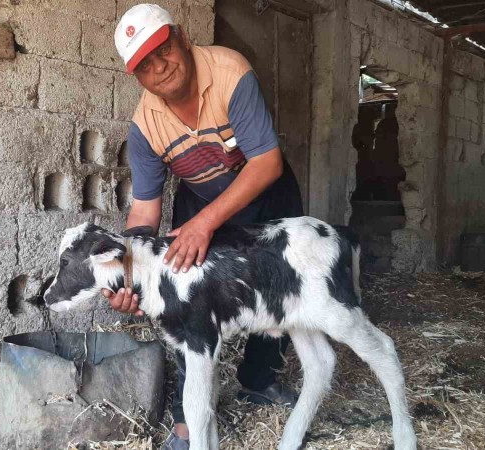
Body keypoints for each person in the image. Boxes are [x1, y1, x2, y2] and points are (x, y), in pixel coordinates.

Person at [108, 4, 304, 449]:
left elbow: (267, 162)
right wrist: (130, 273)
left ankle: (259, 378)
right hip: (200, 197)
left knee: (277, 286)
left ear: (180, 36)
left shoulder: (230, 71)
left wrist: (204, 225)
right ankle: (187, 420)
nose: (159, 66)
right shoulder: (144, 127)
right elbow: (144, 210)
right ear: (135, 75)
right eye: (144, 64)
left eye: (163, 49)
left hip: (265, 190)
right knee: (181, 297)